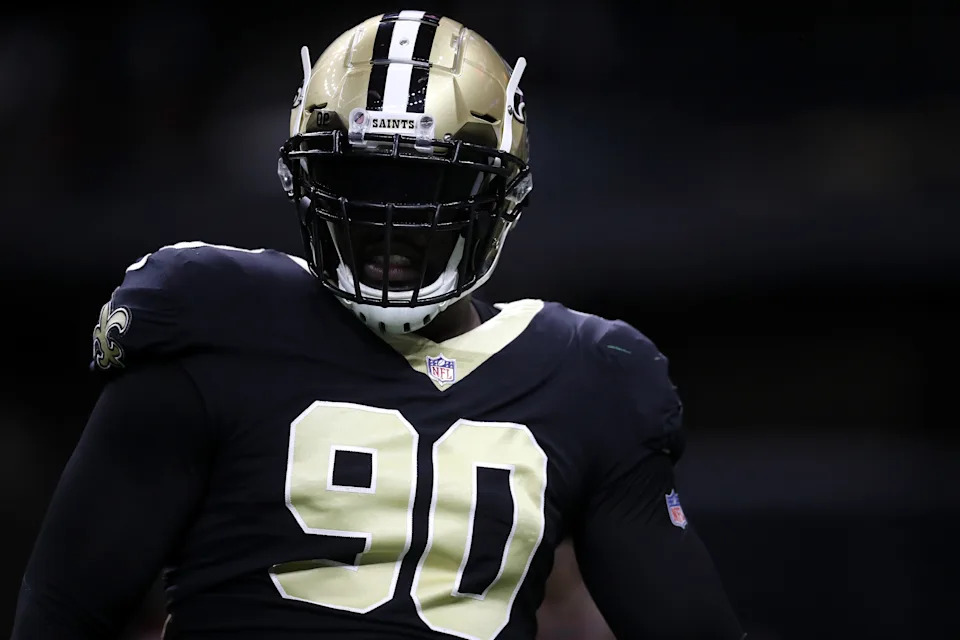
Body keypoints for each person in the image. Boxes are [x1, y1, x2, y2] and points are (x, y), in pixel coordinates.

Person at [12, 10, 745, 640]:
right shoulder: (213, 317)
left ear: (502, 194)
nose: (389, 223)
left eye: (427, 184)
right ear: (306, 181)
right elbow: (64, 606)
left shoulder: (592, 374)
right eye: (361, 180)